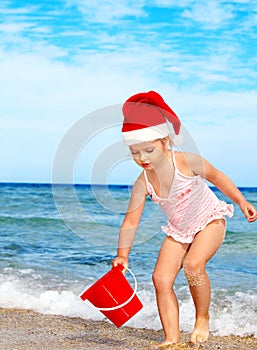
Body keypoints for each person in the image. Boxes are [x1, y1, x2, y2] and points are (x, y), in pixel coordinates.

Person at [111, 91, 257, 348]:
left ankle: (202, 317)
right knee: (160, 279)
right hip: (179, 230)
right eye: (135, 152)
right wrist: (123, 255)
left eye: (148, 149)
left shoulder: (187, 162)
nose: (142, 158)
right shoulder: (143, 182)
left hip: (209, 220)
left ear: (165, 141)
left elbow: (218, 177)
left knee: (193, 265)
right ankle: (172, 337)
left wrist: (242, 202)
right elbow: (131, 221)